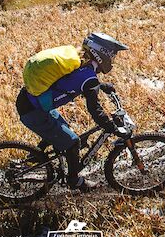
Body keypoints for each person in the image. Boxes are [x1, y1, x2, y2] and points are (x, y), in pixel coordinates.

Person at [15, 32, 130, 192]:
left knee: (63, 130)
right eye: (112, 56)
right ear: (102, 54)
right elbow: (94, 108)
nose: (112, 60)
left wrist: (100, 86)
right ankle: (74, 180)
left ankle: (36, 157)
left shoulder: (80, 61)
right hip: (33, 111)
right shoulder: (86, 74)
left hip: (31, 102)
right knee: (72, 142)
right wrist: (109, 126)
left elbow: (72, 81)